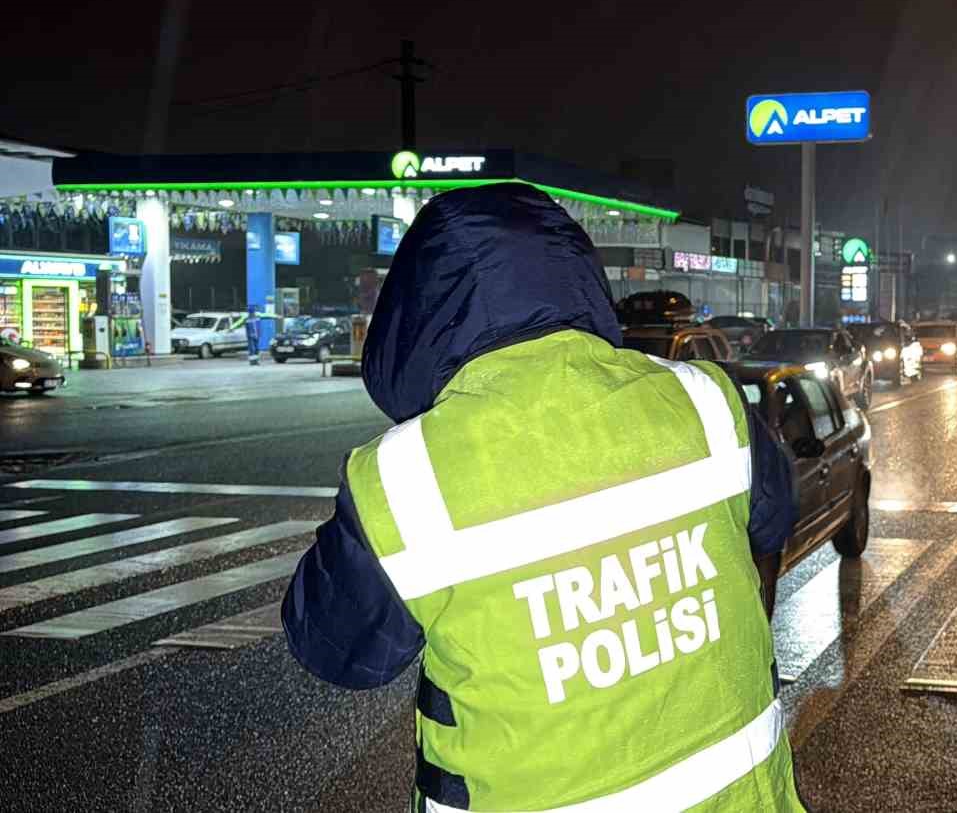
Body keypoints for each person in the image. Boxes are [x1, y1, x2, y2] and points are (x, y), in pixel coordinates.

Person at [281, 182, 805, 812]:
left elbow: (337, 651)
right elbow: (773, 522)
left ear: (416, 313)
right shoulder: (703, 399)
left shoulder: (404, 477)